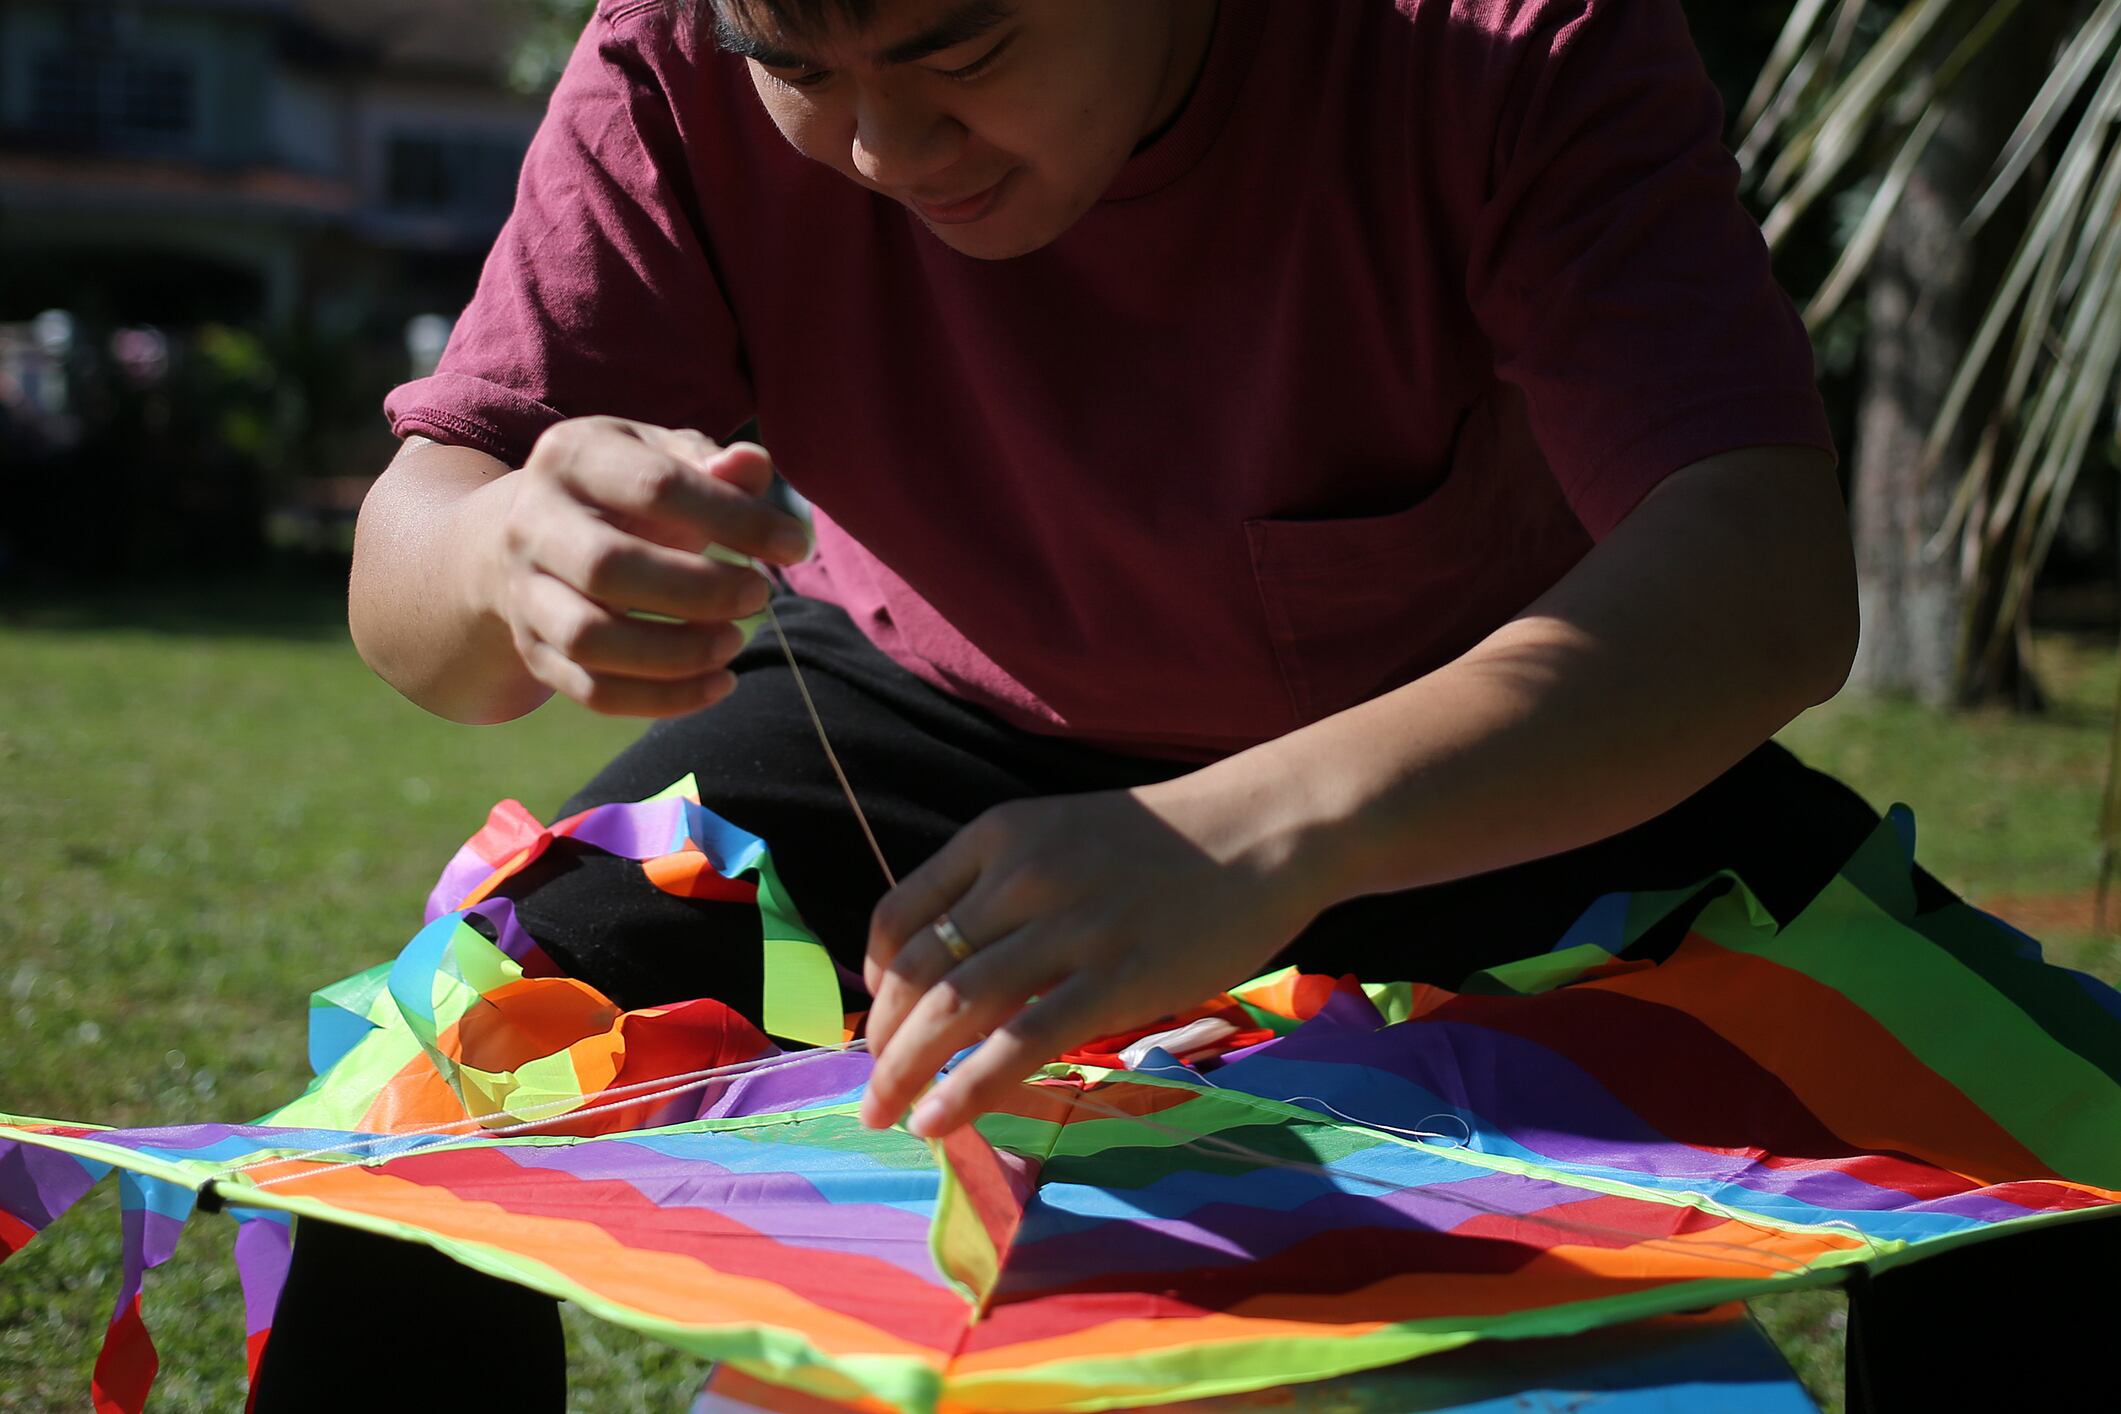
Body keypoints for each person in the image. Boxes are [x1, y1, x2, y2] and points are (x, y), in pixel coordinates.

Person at [260, 0, 2020, 1408]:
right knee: (438, 1083)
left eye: (960, 48)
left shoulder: (1497, 38)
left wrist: (1245, 836)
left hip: (1489, 752)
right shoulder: (674, 47)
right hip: (918, 713)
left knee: (2032, 1145)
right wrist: (505, 551)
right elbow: (415, 579)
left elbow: (1764, 572)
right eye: (798, 67)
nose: (880, 147)